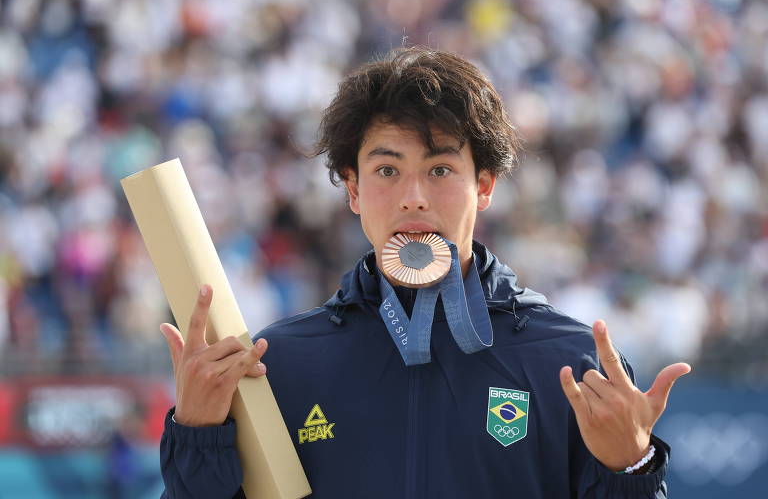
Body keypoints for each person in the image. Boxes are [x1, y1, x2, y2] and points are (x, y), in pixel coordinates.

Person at [158, 47, 690, 498]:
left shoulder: (572, 366)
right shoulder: (278, 364)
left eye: (439, 170)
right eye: (387, 170)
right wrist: (197, 434)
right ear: (354, 189)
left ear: (484, 186)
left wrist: (632, 467)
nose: (413, 199)